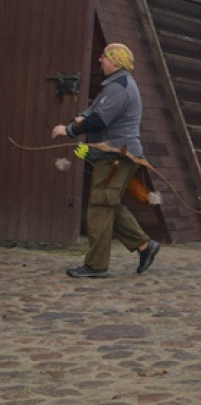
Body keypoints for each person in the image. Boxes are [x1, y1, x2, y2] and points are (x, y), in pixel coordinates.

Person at [51, 43, 161, 278]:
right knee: (108, 202)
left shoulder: (119, 86)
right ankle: (144, 246)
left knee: (100, 206)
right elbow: (94, 111)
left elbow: (99, 120)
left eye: (105, 56)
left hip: (117, 157)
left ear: (115, 61)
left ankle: (96, 265)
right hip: (114, 155)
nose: (100, 59)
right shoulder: (115, 85)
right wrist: (81, 118)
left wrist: (69, 130)